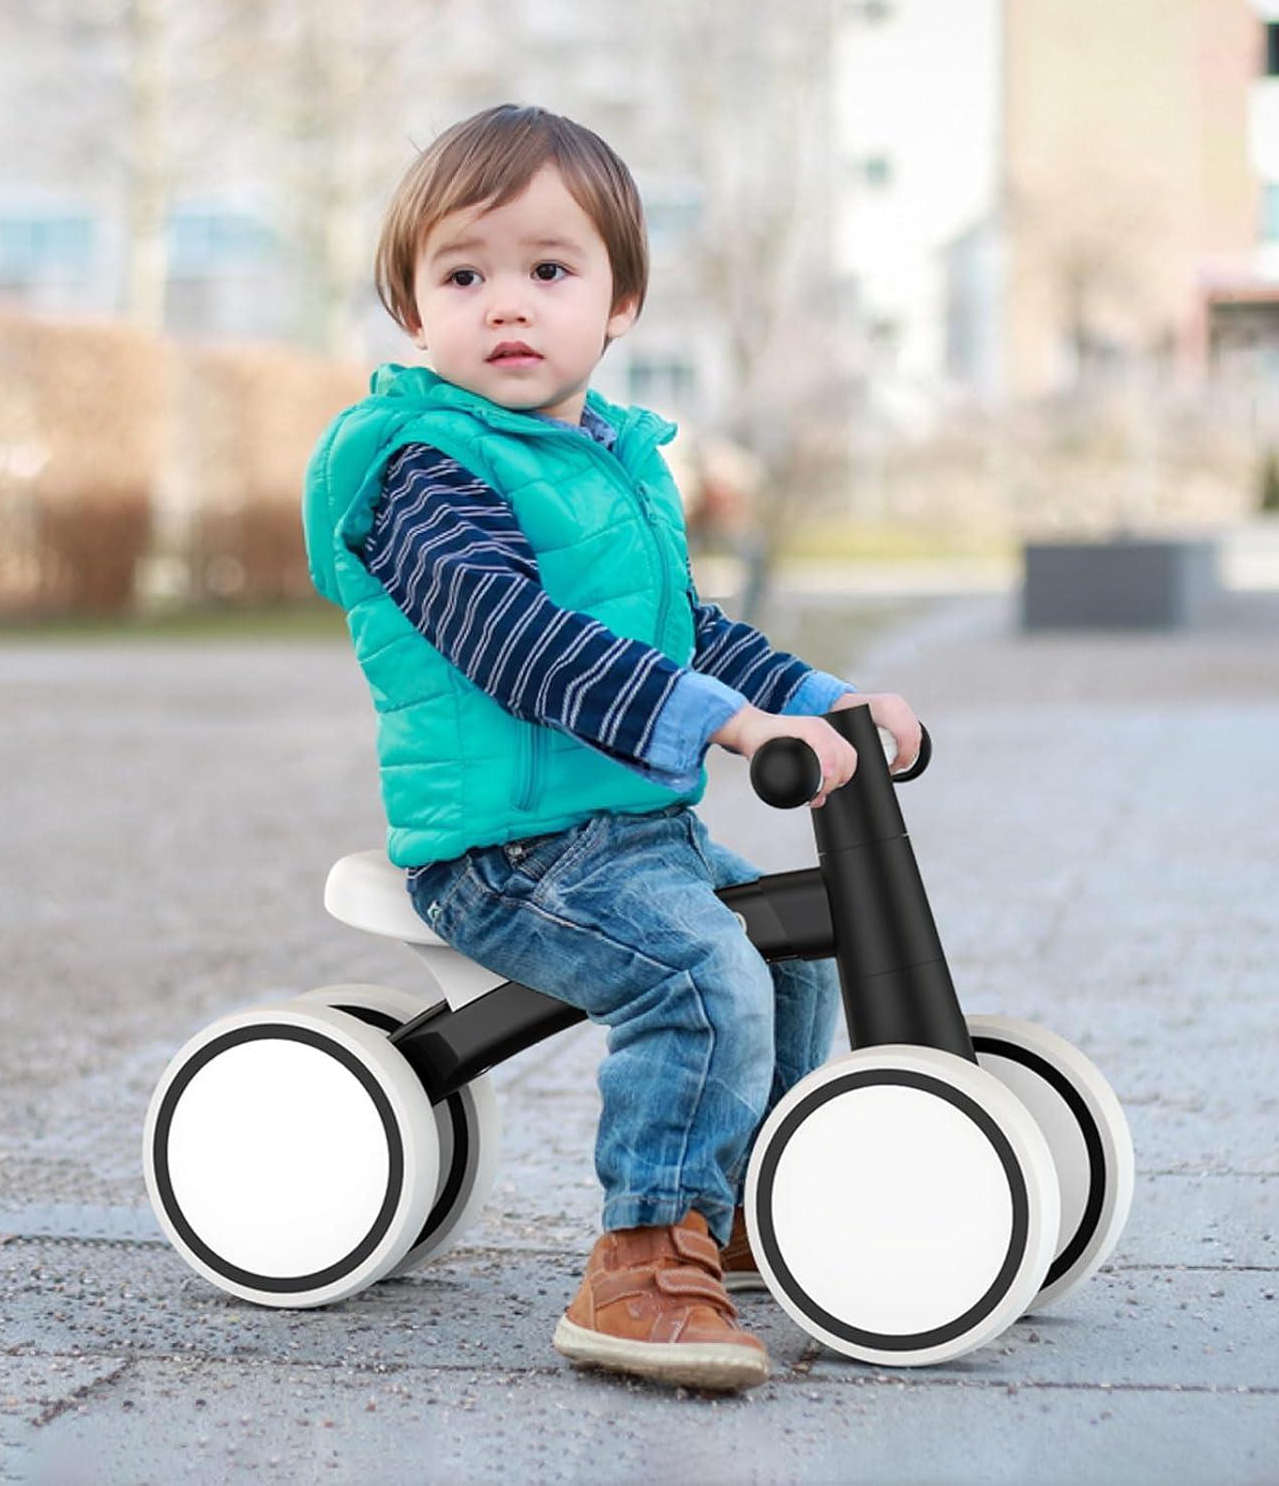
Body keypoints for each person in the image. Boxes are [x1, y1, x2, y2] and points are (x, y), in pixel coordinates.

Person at [302, 103, 921, 1393]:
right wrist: (728, 727)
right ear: (416, 315)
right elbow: (517, 642)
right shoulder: (422, 471)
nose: (506, 305)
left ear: (620, 303)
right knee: (704, 975)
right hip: (510, 850)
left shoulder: (610, 465)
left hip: (622, 835)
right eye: (462, 276)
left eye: (548, 269)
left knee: (789, 949)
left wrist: (826, 700)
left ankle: (740, 1210)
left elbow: (681, 631)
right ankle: (643, 1261)